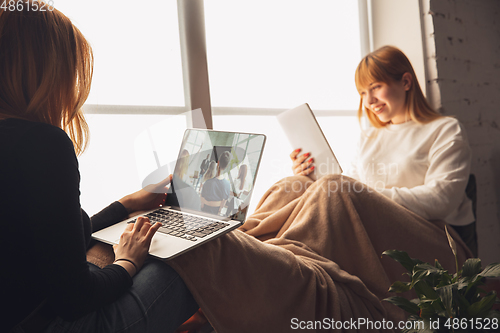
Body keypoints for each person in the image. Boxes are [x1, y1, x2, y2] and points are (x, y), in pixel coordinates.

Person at [0, 3, 197, 332]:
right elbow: (74, 298)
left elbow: (44, 245)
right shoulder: (41, 143)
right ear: (46, 72)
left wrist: (126, 205)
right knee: (190, 257)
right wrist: (128, 262)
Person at [290, 45, 475, 254]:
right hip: (375, 231)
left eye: (375, 87)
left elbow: (441, 200)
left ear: (406, 82)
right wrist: (311, 177)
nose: (368, 101)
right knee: (288, 186)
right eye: (362, 93)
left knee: (333, 195)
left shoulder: (445, 130)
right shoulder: (369, 137)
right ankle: (259, 242)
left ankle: (281, 256)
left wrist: (367, 198)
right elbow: (348, 188)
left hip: (433, 235)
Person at [200, 151, 231, 215]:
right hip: (216, 216)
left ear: (218, 162)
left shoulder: (207, 183)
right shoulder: (227, 185)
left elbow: (202, 203)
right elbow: (222, 205)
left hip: (204, 214)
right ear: (227, 166)